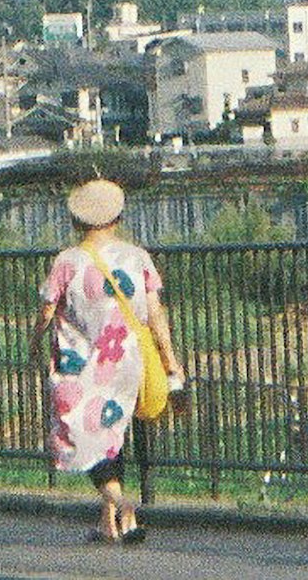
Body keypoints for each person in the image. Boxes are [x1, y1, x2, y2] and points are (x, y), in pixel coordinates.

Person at [32, 177, 178, 543]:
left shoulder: (68, 261)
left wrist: (34, 342)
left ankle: (120, 499)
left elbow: (48, 308)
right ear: (118, 216)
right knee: (111, 433)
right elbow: (156, 315)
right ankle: (111, 524)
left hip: (78, 365)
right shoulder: (137, 257)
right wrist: (171, 362)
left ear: (76, 220)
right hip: (127, 360)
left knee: (80, 435)